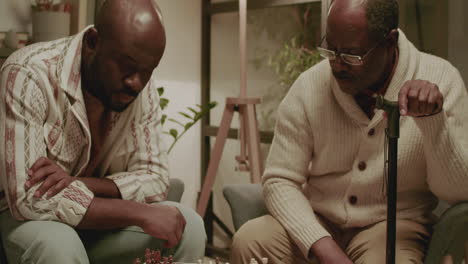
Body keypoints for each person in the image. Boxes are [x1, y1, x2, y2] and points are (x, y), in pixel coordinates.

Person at [231, 0, 468, 263]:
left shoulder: (443, 80)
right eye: (331, 49)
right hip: (319, 219)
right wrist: (321, 245)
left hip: (393, 226)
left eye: (352, 55)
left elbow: (458, 192)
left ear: (389, 43)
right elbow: (279, 180)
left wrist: (432, 120)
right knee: (251, 240)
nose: (337, 64)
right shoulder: (309, 86)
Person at [0, 0, 206, 263]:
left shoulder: (139, 85)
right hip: (31, 220)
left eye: (148, 70)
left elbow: (156, 178)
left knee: (190, 225)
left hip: (99, 220)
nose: (136, 83)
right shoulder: (29, 73)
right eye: (127, 66)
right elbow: (30, 199)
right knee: (59, 244)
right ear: (93, 42)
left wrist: (79, 184)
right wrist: (137, 213)